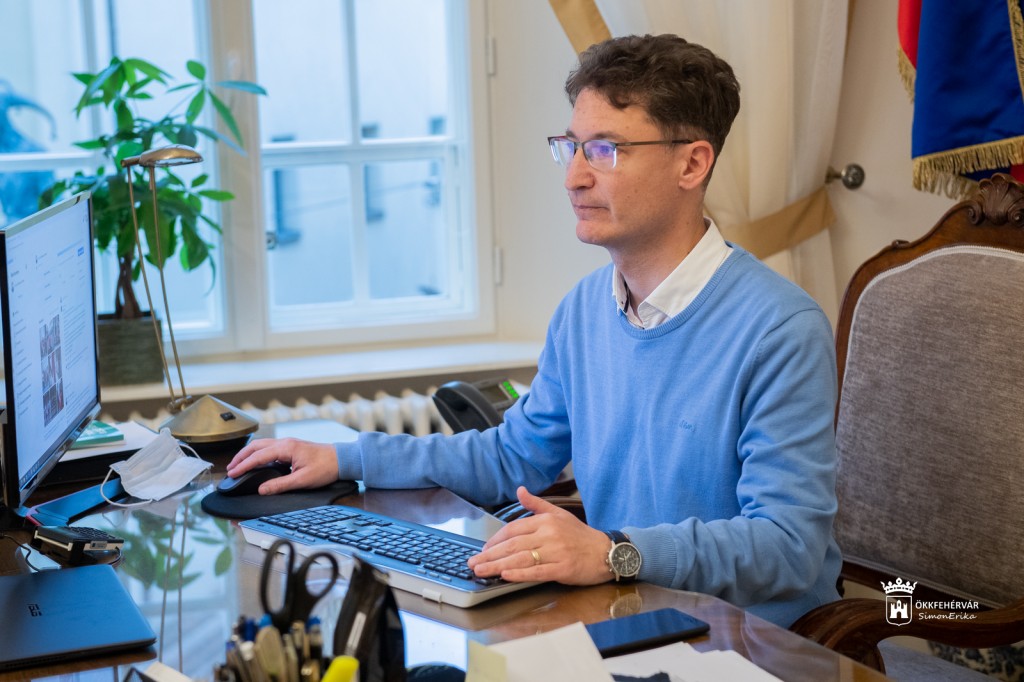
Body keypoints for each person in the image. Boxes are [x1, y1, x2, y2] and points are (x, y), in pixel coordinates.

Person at [227, 33, 842, 628]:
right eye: (570, 147)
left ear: (692, 163)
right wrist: (347, 456)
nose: (573, 177)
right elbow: (510, 456)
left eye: (605, 150)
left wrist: (613, 552)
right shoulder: (584, 309)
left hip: (746, 645)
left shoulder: (780, 329)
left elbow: (788, 546)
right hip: (626, 615)